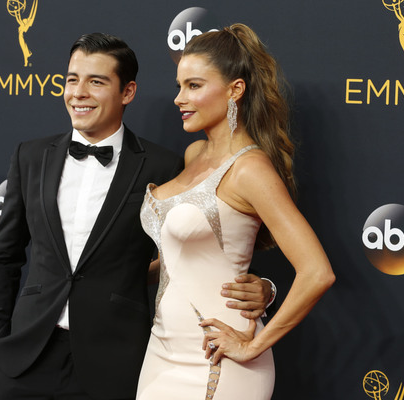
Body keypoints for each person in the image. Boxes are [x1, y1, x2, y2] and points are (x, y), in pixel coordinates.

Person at [0, 32, 274, 400]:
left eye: (96, 82)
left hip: (115, 362)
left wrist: (263, 287)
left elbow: (200, 246)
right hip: (26, 358)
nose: (78, 93)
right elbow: (4, 257)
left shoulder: (163, 166)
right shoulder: (30, 157)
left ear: (128, 92)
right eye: (72, 79)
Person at [136, 24, 335, 400]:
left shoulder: (250, 169)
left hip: (219, 360)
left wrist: (252, 346)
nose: (179, 98)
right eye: (179, 85)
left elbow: (317, 272)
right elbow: (183, 260)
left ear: (235, 90)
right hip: (161, 351)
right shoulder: (195, 153)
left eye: (194, 86)